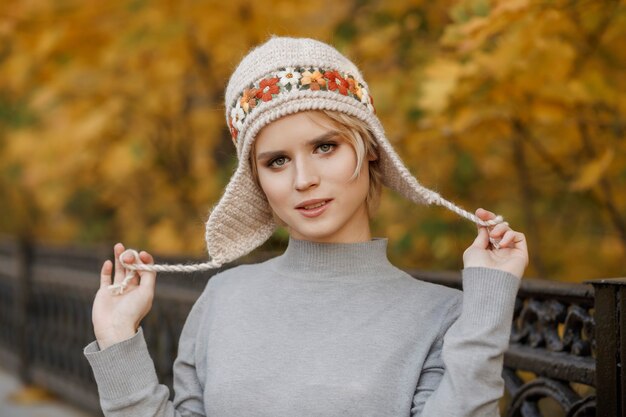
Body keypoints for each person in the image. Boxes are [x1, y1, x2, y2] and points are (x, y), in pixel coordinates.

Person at [84, 36, 528, 417]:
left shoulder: (440, 315)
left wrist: (489, 298)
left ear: (369, 148)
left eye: (325, 147)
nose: (303, 180)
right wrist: (118, 337)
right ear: (257, 179)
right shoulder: (222, 298)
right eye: (277, 161)